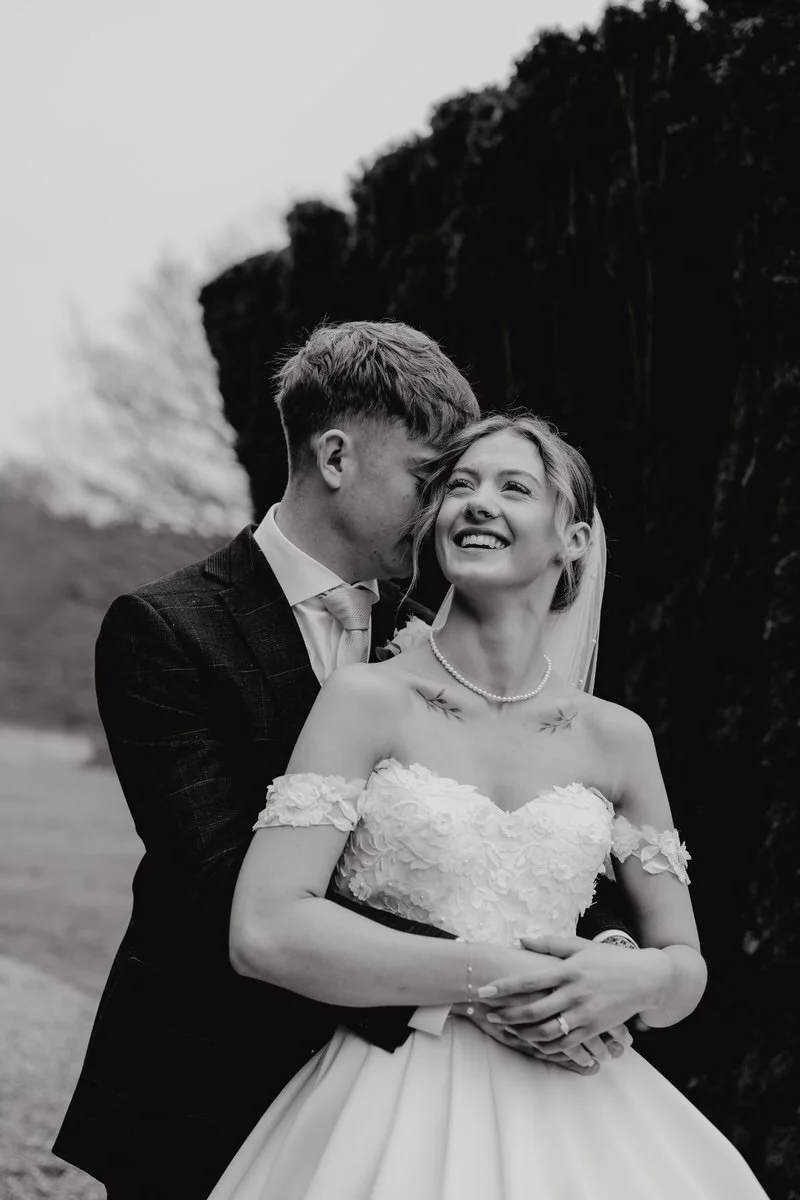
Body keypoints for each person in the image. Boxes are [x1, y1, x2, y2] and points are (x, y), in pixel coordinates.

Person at [52, 325, 638, 1200]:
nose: (450, 507)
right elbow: (222, 881)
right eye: (429, 477)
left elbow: (519, 825)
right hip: (213, 1080)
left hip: (428, 1101)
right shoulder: (168, 630)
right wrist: (514, 980)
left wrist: (605, 964)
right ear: (334, 457)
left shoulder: (447, 623)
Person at [206, 413, 769, 1200]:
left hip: (583, 1116)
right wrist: (493, 977)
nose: (476, 502)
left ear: (572, 540)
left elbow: (684, 965)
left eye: (515, 487)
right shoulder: (366, 700)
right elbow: (266, 931)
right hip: (389, 1099)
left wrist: (630, 981)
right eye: (460, 486)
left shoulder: (618, 739)